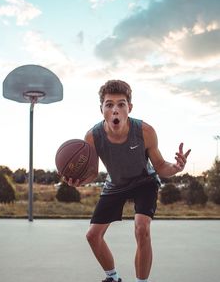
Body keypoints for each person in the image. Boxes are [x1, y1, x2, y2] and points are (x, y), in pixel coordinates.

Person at [67, 80, 191, 282]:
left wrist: (176, 168)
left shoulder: (145, 131)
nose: (115, 110)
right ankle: (112, 277)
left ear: (129, 108)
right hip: (115, 183)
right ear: (102, 110)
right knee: (92, 235)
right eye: (109, 104)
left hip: (144, 181)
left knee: (142, 228)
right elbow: (92, 173)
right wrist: (79, 181)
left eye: (121, 104)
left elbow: (160, 166)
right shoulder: (92, 137)